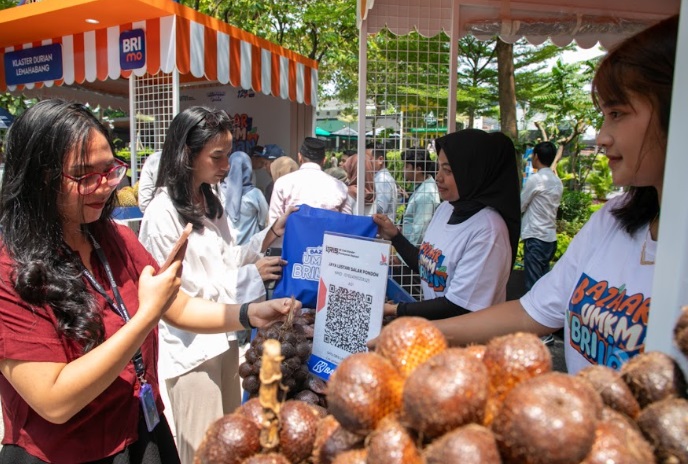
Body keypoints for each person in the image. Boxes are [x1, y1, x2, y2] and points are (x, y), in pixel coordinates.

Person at [0, 99, 301, 463]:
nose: (105, 186)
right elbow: (54, 400)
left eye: (110, 170)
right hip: (68, 453)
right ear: (39, 178)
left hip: (139, 431)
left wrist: (249, 313)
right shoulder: (12, 270)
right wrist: (146, 316)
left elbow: (177, 305)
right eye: (84, 175)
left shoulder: (113, 239)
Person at [433, 15, 677, 375]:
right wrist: (419, 333)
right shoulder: (613, 218)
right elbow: (533, 309)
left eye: (617, 113)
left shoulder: (489, 225)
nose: (602, 136)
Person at [138, 106, 292, 464]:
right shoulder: (161, 215)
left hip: (222, 342)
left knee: (228, 443)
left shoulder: (210, 200)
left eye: (227, 155)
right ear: (186, 155)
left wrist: (270, 235)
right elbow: (182, 299)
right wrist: (254, 277)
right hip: (190, 354)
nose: (226, 166)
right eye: (217, 157)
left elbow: (227, 256)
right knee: (204, 450)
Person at [374, 129, 521, 319]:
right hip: (439, 336)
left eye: (449, 171)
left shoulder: (488, 231)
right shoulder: (446, 209)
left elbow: (458, 305)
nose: (438, 177)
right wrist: (395, 236)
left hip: (468, 344)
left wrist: (396, 310)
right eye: (439, 168)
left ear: (473, 173)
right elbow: (427, 266)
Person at [268, 136, 351, 225]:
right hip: (326, 238)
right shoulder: (340, 187)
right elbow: (347, 225)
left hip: (292, 238)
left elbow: (274, 225)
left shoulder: (282, 183)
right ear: (324, 160)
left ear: (299, 157)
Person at [520, 141, 563, 292]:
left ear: (536, 156)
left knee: (533, 286)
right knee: (543, 283)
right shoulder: (557, 181)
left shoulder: (536, 180)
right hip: (550, 238)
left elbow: (521, 205)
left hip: (535, 237)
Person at [222, 151, 269, 246]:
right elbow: (264, 220)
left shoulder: (221, 190)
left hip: (229, 247)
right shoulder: (255, 194)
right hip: (251, 249)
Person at [371, 146, 399, 223]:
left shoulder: (382, 179)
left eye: (368, 159)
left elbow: (381, 209)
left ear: (380, 160)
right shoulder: (380, 177)